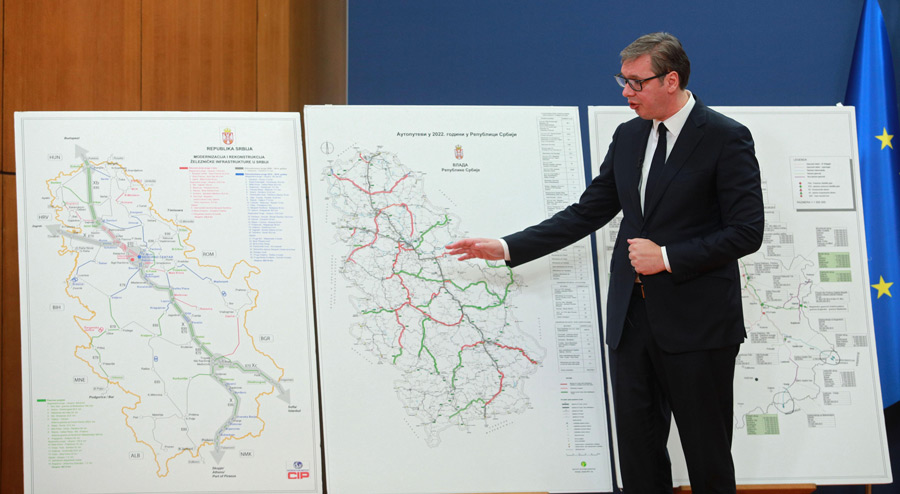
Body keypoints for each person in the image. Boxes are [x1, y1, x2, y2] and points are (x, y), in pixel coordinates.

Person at [446, 32, 764, 493]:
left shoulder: (725, 137)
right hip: (630, 322)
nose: (626, 92)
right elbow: (588, 211)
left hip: (698, 327)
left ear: (671, 80)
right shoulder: (629, 135)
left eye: (636, 82)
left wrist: (667, 257)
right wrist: (507, 246)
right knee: (637, 456)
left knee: (706, 456)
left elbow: (747, 231)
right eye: (623, 80)